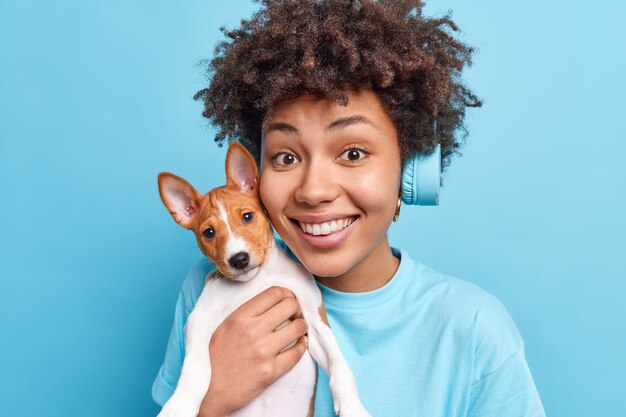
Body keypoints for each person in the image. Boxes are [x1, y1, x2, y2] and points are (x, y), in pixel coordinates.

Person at [152, 1, 546, 416]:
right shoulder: (209, 285)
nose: (314, 191)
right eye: (285, 158)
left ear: (410, 171)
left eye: (353, 153)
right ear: (254, 178)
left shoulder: (473, 329)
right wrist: (212, 401)